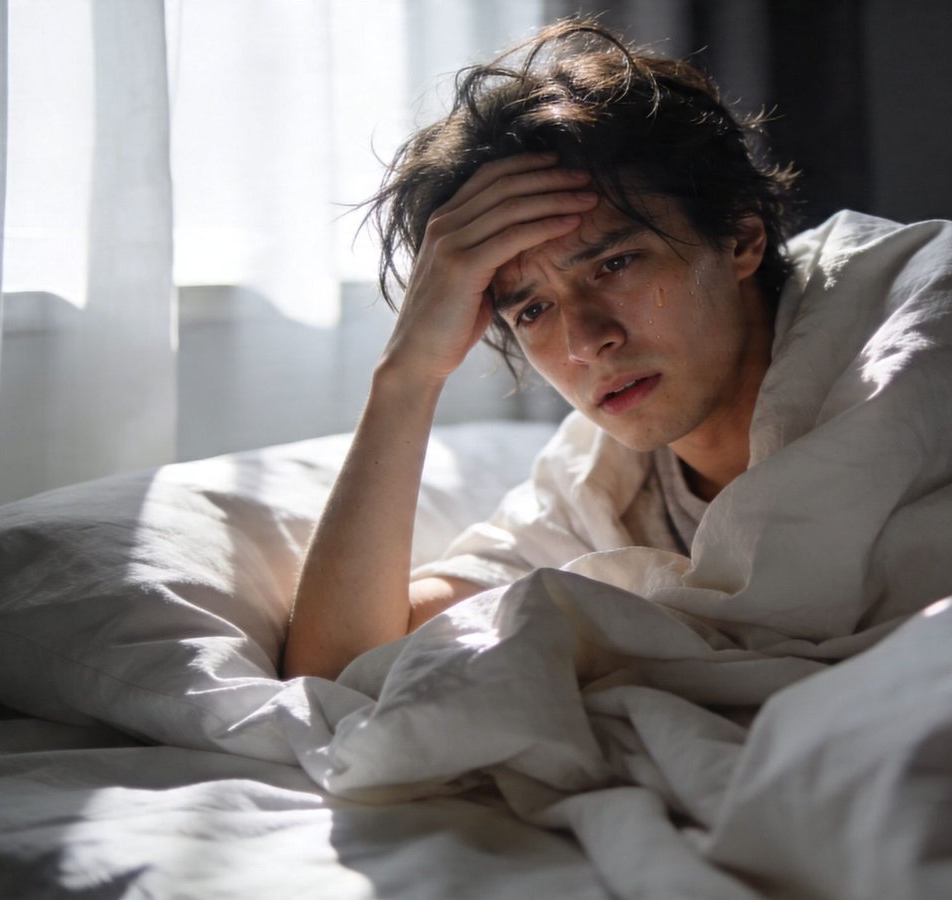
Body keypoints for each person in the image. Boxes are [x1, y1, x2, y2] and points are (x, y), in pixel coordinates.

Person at [282, 20, 799, 679]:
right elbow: (341, 666)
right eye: (532, 310)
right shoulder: (592, 496)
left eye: (613, 265)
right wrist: (408, 375)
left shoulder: (901, 360)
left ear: (740, 240)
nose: (586, 342)